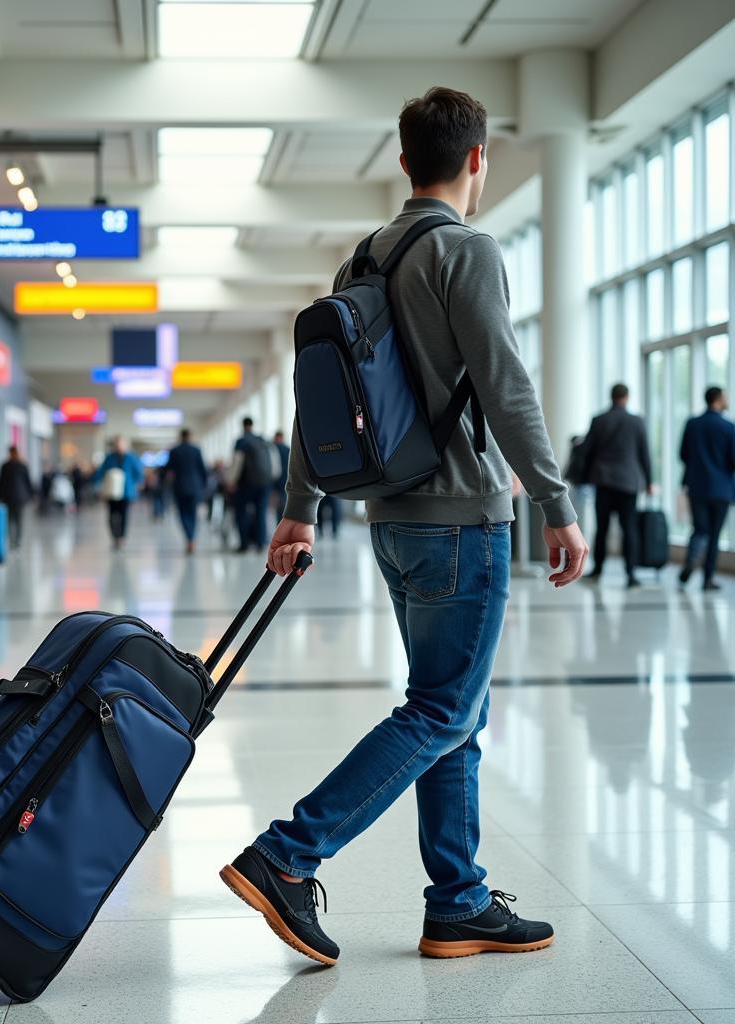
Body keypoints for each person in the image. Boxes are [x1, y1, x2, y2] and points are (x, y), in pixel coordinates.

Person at [219, 86, 588, 966]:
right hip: (462, 518)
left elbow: (322, 397)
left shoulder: (365, 260)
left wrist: (299, 510)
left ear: (402, 160)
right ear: (476, 160)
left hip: (392, 521)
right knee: (440, 709)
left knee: (458, 711)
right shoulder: (467, 251)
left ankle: (457, 901)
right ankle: (286, 855)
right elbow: (505, 385)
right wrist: (556, 504)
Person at [583, 383, 653, 588]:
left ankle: (597, 570)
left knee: (602, 528)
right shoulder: (637, 421)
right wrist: (649, 482)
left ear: (611, 396)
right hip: (628, 483)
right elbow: (644, 454)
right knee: (629, 529)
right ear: (626, 397)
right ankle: (631, 574)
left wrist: (586, 477)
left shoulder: (599, 420)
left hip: (603, 481)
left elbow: (587, 451)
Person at [679, 386, 735, 591]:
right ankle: (708, 578)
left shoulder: (692, 424)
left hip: (697, 486)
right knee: (714, 535)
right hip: (721, 489)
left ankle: (691, 561)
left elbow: (683, 454)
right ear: (719, 399)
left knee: (699, 529)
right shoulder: (729, 427)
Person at [229, 417, 276, 553]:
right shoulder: (263, 440)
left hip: (246, 483)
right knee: (261, 513)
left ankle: (244, 544)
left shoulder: (241, 441)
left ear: (243, 426)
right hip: (264, 483)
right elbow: (273, 462)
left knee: (241, 512)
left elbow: (237, 462)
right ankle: (260, 543)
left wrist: (231, 481)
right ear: (252, 425)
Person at [91, 437, 144, 550]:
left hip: (126, 492)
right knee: (111, 516)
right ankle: (115, 537)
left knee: (124, 515)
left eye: (121, 444)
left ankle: (121, 537)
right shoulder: (109, 458)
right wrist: (97, 486)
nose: (119, 446)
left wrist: (138, 484)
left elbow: (138, 473)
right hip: (111, 491)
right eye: (117, 444)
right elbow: (101, 472)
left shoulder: (131, 458)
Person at [166, 428, 208, 554]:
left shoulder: (174, 451)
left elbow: (168, 468)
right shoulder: (196, 450)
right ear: (190, 436)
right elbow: (203, 470)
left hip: (179, 487)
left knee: (183, 514)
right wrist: (204, 485)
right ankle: (192, 538)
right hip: (195, 487)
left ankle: (189, 537)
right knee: (193, 514)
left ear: (180, 437)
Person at [0, 446, 34, 550]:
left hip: (8, 497)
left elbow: (0, 483)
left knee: (9, 520)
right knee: (19, 520)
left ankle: (11, 541)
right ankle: (17, 541)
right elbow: (28, 482)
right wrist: (31, 495)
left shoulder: (5, 466)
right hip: (20, 497)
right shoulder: (23, 465)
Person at [273, 430, 291, 524]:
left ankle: (278, 522)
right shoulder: (287, 448)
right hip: (286, 480)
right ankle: (282, 522)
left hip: (274, 481)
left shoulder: (273, 448)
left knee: (275, 505)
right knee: (283, 503)